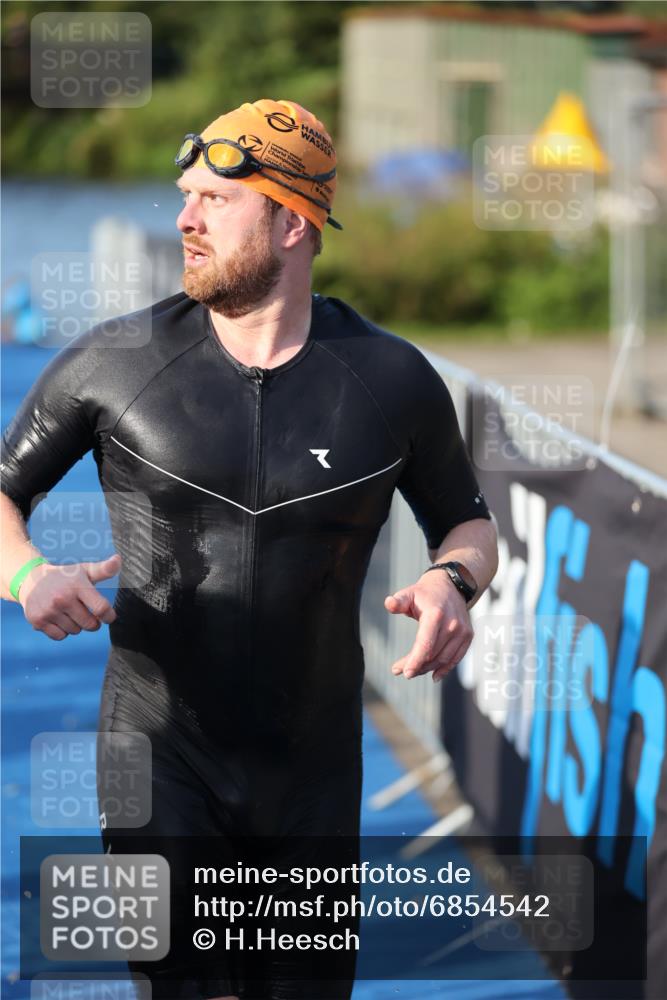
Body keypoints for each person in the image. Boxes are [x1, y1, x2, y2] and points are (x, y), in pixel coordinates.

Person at [0, 99, 498, 999]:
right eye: (184, 196)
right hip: (156, 751)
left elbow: (467, 521)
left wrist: (450, 578)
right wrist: (27, 573)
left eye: (214, 202)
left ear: (292, 222)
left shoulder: (387, 378)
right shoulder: (120, 359)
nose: (185, 220)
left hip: (311, 769)